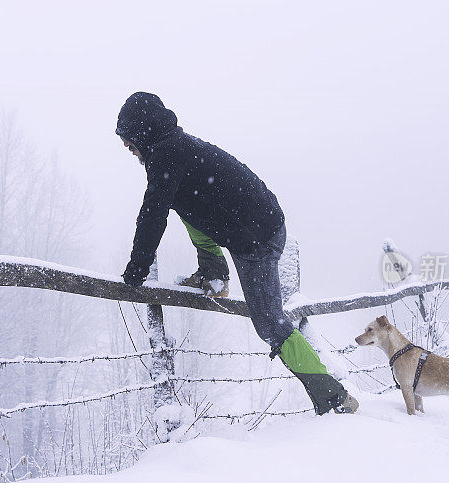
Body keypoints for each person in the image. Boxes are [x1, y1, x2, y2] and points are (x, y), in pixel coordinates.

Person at [117, 92, 358, 415]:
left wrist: (137, 268)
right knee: (183, 202)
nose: (126, 147)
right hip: (258, 222)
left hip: (257, 239)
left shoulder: (167, 155)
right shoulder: (177, 146)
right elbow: (166, 206)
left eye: (129, 139)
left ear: (143, 131)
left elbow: (152, 214)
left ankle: (334, 398)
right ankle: (214, 275)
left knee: (270, 324)